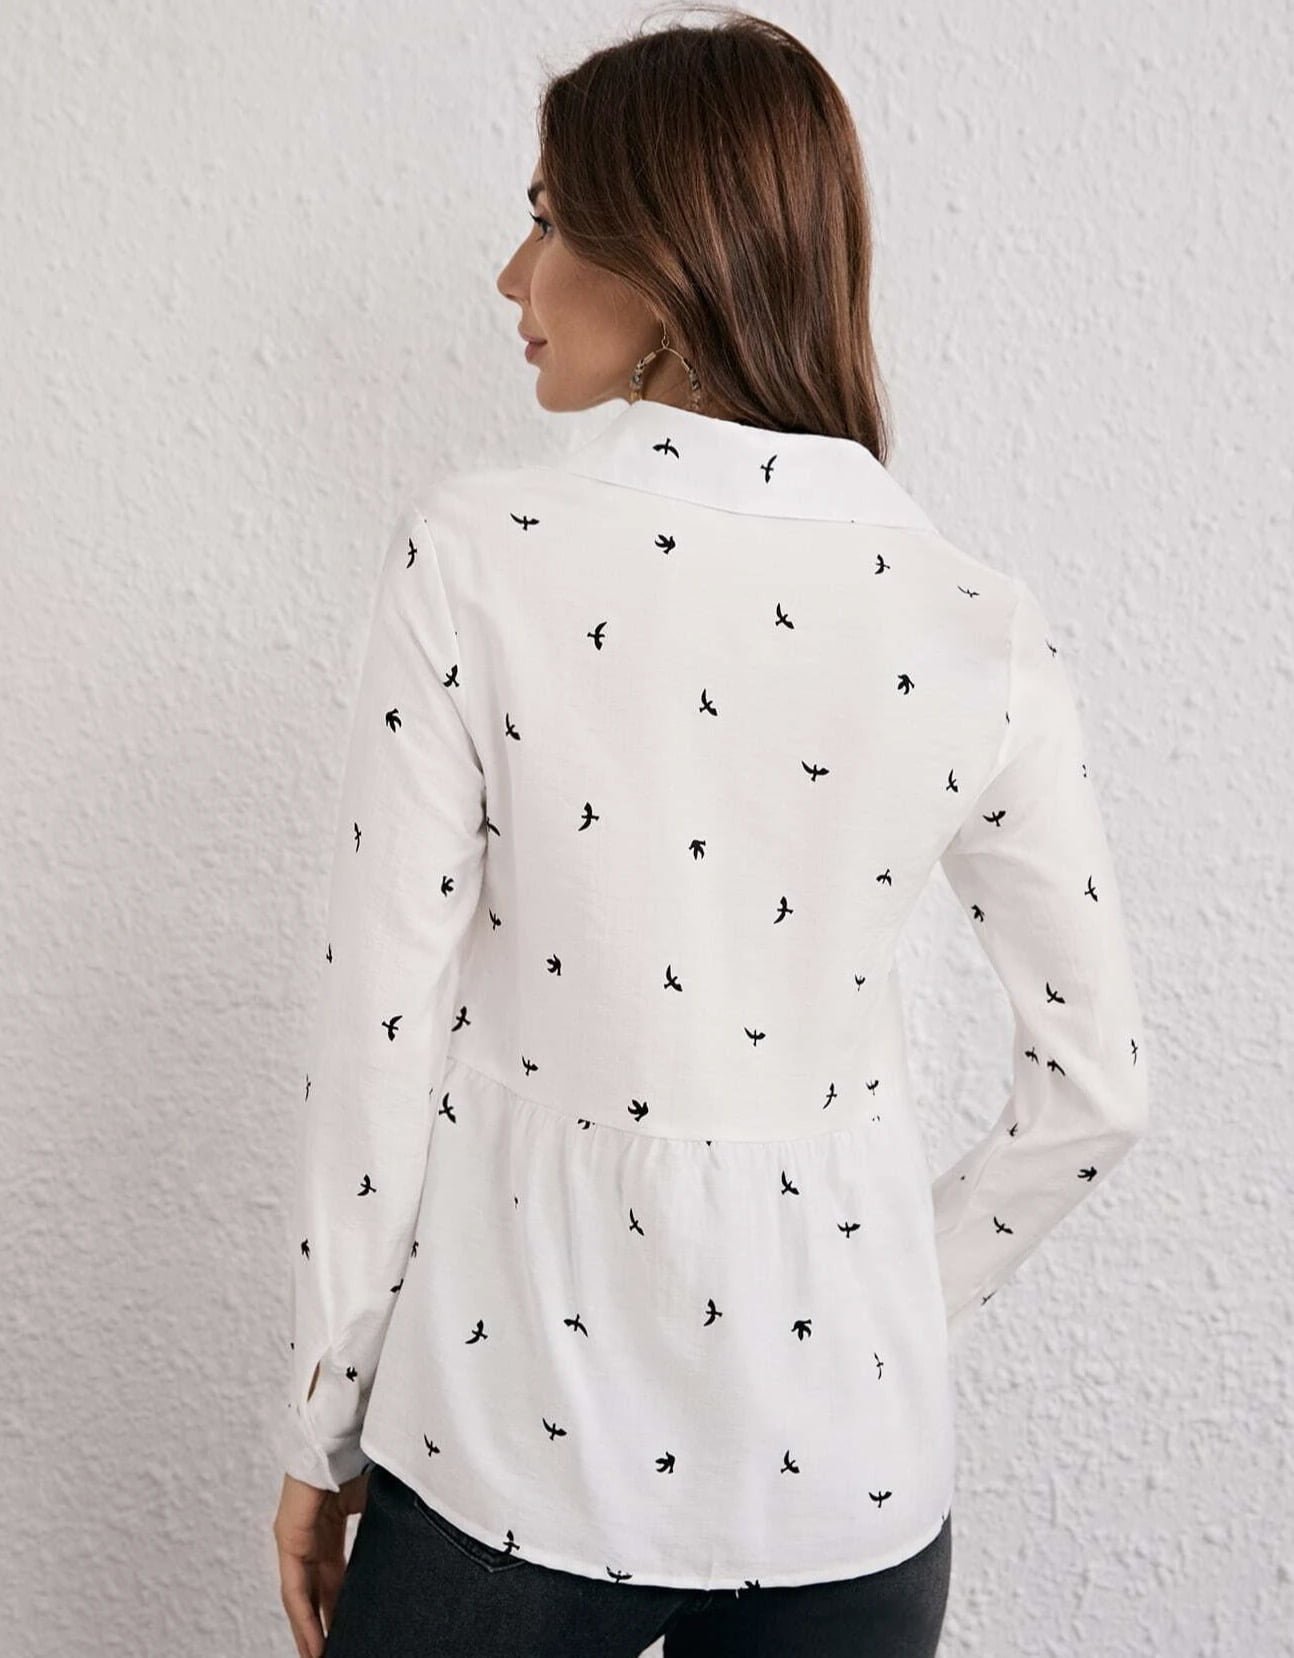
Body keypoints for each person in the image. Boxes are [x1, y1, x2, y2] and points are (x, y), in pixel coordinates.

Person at [270, 8, 1150, 1656]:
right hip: (854, 1488)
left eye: (547, 218)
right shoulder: (973, 619)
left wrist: (324, 1420)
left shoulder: (479, 554)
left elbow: (379, 1032)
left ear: (668, 263)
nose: (511, 279)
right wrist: (875, 1304)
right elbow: (1097, 1087)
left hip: (510, 1455)